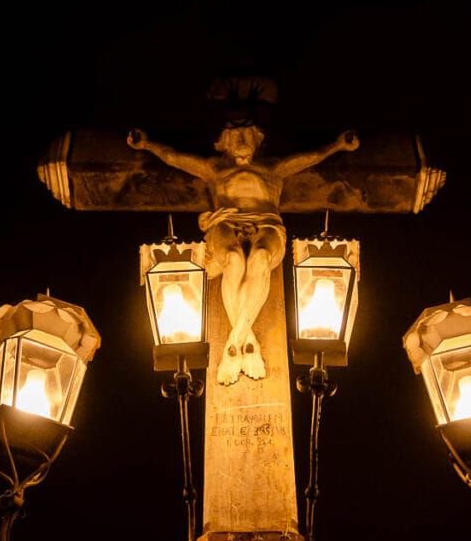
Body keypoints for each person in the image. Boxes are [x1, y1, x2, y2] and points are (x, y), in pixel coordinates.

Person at [128, 124, 359, 385]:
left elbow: (312, 157)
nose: (241, 139)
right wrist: (147, 145)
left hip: (268, 222)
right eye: (235, 134)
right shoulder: (215, 170)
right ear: (224, 141)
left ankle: (234, 342)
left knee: (260, 257)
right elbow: (174, 157)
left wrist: (338, 145)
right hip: (226, 222)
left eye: (246, 133)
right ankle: (245, 340)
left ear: (257, 139)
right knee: (234, 260)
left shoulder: (272, 169)